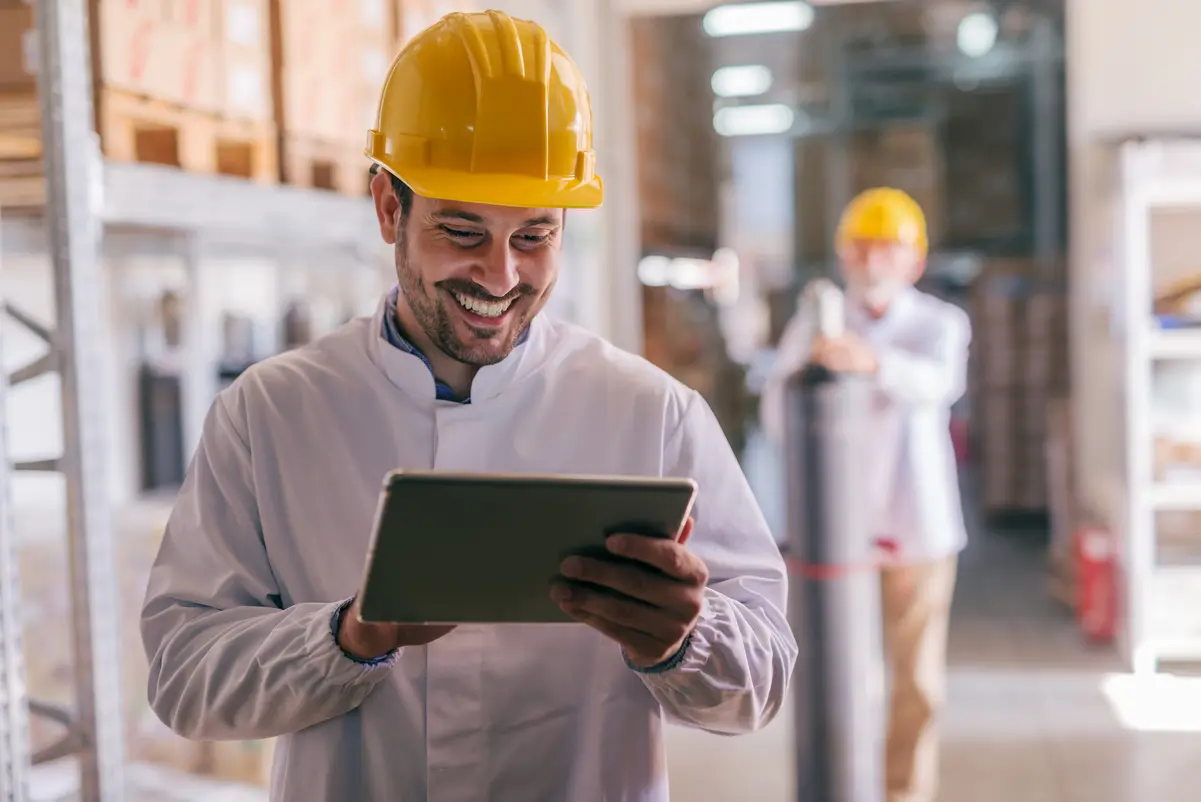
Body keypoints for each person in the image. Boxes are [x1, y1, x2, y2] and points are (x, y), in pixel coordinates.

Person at [140, 11, 797, 802]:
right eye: (462, 231)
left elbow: (759, 685)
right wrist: (349, 638)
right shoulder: (272, 414)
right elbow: (183, 676)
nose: (499, 276)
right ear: (389, 208)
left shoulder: (652, 414)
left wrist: (682, 642)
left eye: (534, 236)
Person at [760, 187, 971, 802]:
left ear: (915, 262)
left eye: (888, 248)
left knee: (916, 683)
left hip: (917, 531)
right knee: (839, 674)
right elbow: (777, 410)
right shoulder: (816, 322)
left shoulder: (939, 323)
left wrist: (869, 361)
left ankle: (905, 794)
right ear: (844, 257)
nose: (873, 260)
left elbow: (938, 385)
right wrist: (814, 372)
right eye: (861, 248)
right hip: (837, 533)